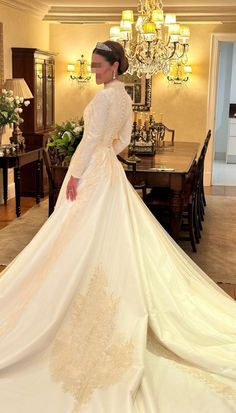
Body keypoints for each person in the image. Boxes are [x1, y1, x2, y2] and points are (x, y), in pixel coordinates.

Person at [0, 40, 236, 413]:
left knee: (77, 228)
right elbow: (122, 140)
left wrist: (75, 175)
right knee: (102, 230)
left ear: (113, 66)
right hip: (108, 168)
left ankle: (74, 288)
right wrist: (105, 154)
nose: (92, 70)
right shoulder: (123, 97)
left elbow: (93, 138)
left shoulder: (108, 97)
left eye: (97, 65)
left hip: (94, 170)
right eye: (92, 65)